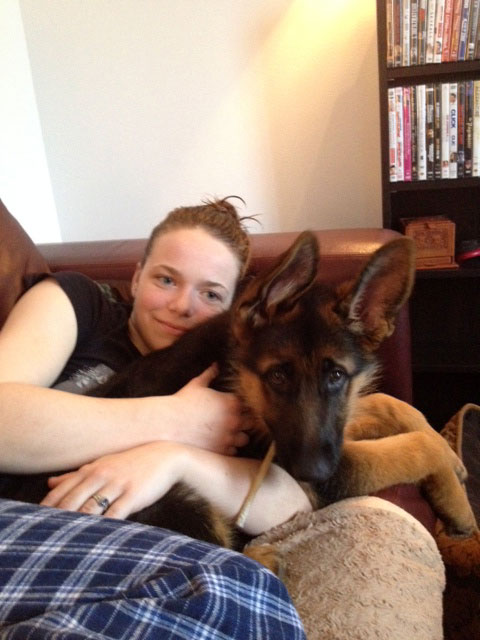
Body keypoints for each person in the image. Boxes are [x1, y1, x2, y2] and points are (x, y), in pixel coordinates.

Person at [0, 197, 311, 536]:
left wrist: (175, 461)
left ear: (235, 310)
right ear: (136, 278)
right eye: (166, 280)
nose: (182, 306)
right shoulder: (84, 304)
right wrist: (175, 420)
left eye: (211, 295)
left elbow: (293, 506)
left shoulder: (234, 373)